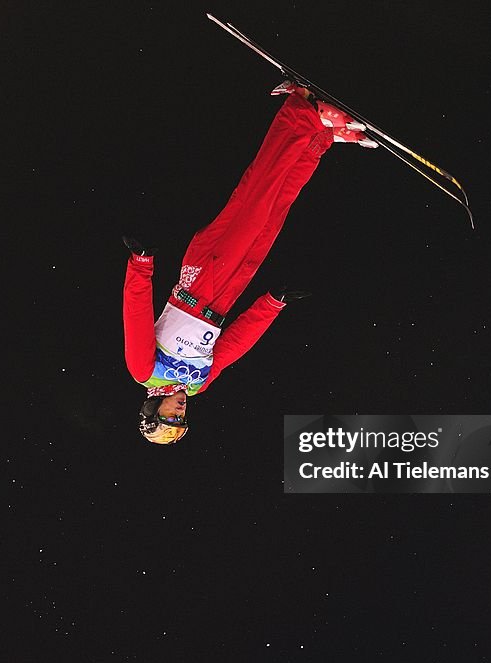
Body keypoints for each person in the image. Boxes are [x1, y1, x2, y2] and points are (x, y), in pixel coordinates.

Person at [123, 81, 376, 444]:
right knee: (275, 209)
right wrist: (272, 304)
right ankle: (320, 140)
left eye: (170, 417)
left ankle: (301, 113)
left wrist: (141, 263)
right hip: (228, 295)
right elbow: (233, 347)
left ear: (153, 409)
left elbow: (135, 315)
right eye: (182, 419)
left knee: (258, 193)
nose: (180, 411)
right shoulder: (197, 385)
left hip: (201, 278)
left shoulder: (144, 372)